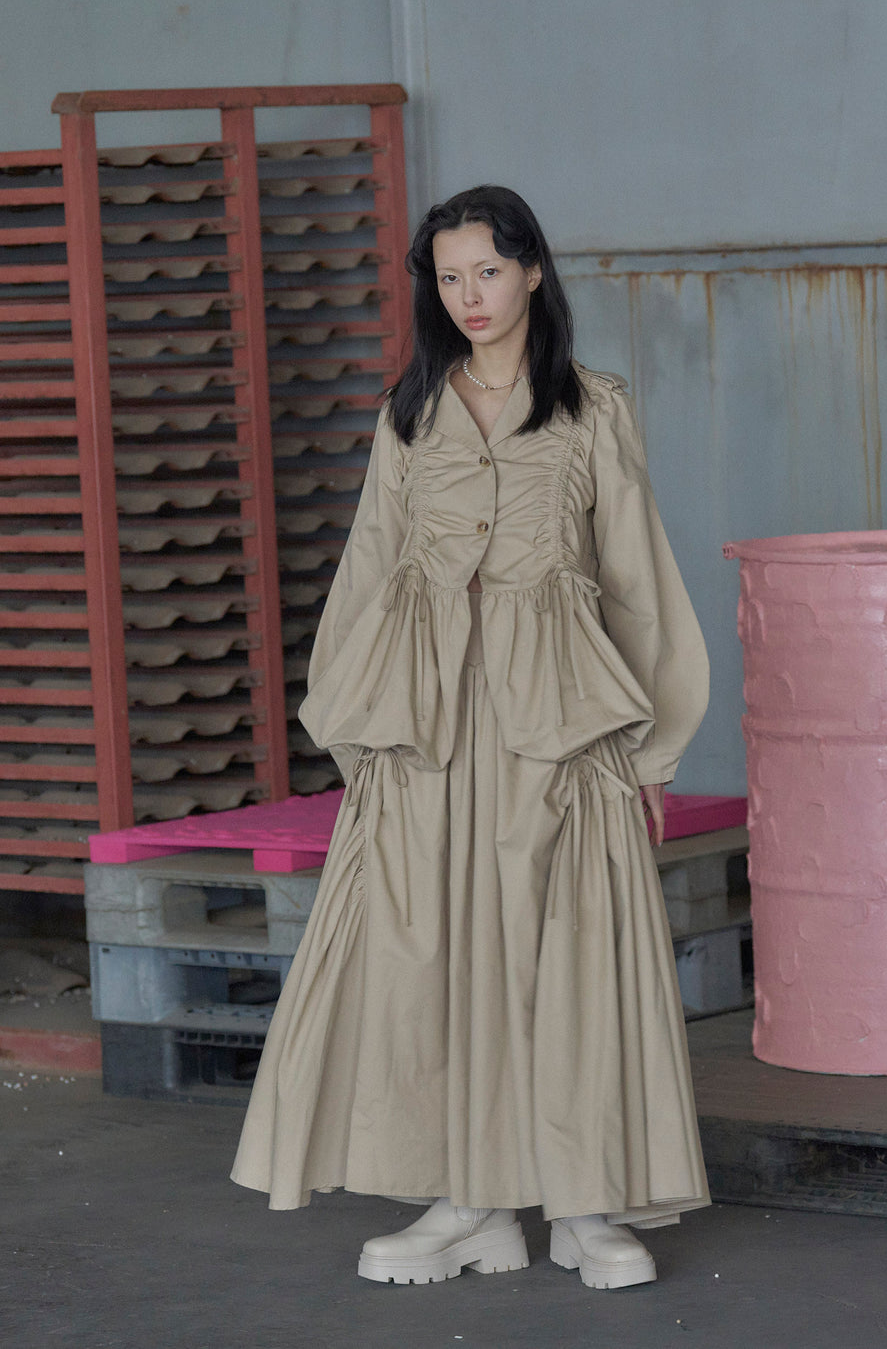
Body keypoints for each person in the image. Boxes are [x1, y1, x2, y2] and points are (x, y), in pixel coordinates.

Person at [231, 184, 711, 1291]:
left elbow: (637, 582)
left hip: (561, 732)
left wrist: (652, 749)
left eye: (487, 271)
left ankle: (585, 1208)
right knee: (432, 963)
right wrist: (356, 733)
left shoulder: (592, 409)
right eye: (449, 278)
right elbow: (366, 574)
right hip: (429, 734)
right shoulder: (409, 416)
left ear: (532, 270)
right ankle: (470, 1206)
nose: (469, 296)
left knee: (570, 960)